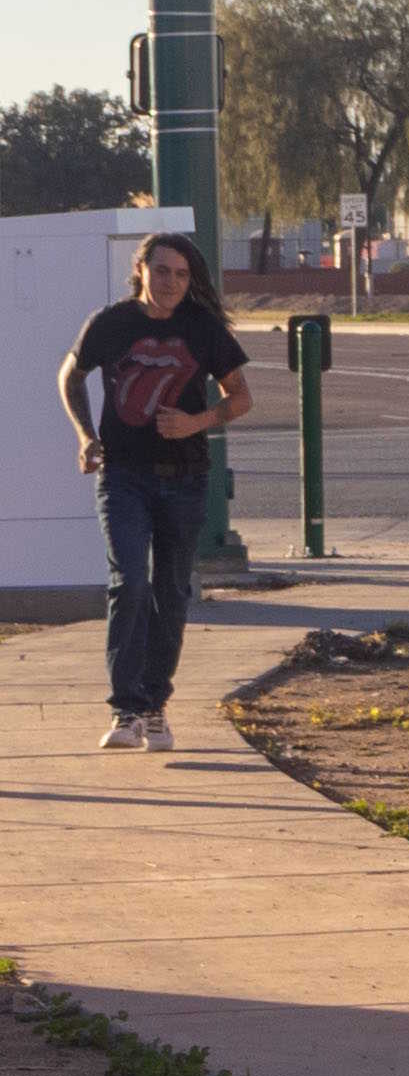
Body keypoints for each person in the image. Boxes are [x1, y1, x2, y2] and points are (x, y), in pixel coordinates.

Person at [56, 232, 252, 752]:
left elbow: (241, 396)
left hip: (185, 478)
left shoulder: (202, 328)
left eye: (182, 275)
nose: (171, 283)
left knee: (170, 590)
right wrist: (85, 437)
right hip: (122, 475)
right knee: (130, 582)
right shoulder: (111, 323)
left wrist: (198, 422)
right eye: (162, 271)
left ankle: (155, 707)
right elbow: (69, 377)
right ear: (141, 270)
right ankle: (125, 710)